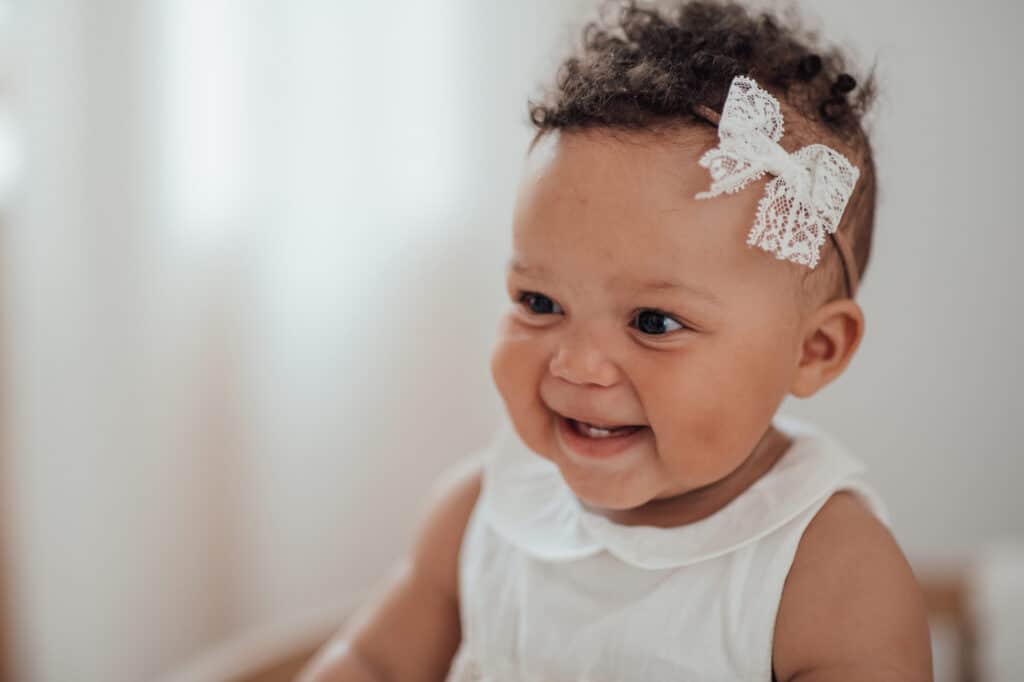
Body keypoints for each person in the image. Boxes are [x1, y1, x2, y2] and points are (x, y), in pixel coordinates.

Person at [299, 1, 933, 679]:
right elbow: (372, 663)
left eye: (653, 323)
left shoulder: (828, 574)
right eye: (539, 303)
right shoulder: (484, 510)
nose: (576, 364)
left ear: (815, 350)